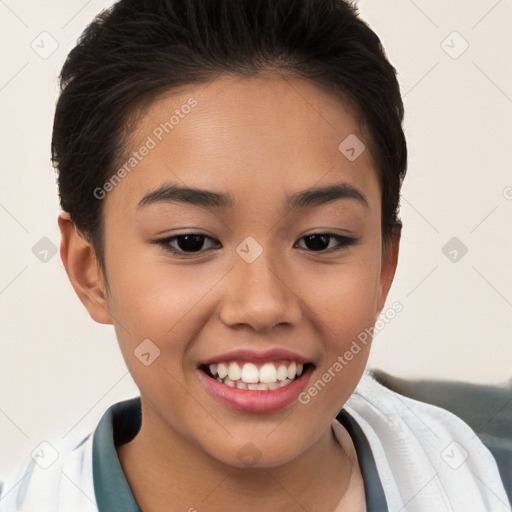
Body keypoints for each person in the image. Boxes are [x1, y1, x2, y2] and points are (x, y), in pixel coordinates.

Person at [0, 0, 509, 510]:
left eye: (319, 240)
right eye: (190, 242)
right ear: (90, 272)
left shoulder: (481, 481)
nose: (262, 306)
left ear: (383, 268)